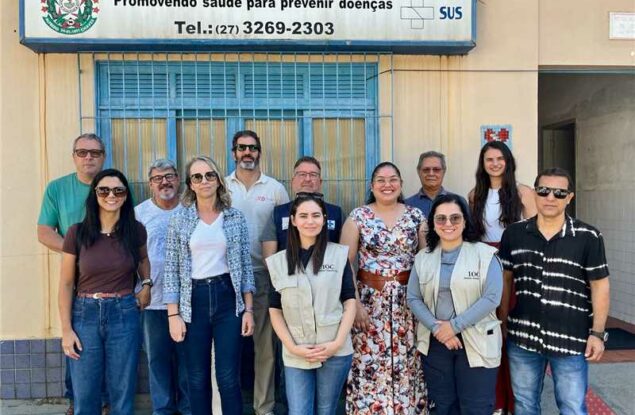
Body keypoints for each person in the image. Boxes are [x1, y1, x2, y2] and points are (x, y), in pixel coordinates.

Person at [498, 168, 610, 415]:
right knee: (524, 405)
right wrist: (502, 322)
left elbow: (600, 285)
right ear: (534, 194)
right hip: (523, 337)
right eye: (544, 191)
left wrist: (597, 333)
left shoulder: (588, 236)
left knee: (572, 407)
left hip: (571, 338)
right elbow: (505, 281)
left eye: (559, 193)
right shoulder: (514, 234)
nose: (550, 197)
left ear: (569, 197)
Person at [164, 156, 256, 415]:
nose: (204, 181)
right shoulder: (179, 219)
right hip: (193, 300)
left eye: (209, 175)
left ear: (218, 180)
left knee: (228, 377)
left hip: (228, 298)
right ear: (190, 184)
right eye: (197, 176)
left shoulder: (234, 217)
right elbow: (171, 269)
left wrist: (248, 309)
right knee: (196, 377)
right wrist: (173, 314)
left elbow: (245, 266)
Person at [58, 168, 151, 415]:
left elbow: (143, 260)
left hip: (124, 313)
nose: (111, 195)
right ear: (95, 194)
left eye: (118, 190)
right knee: (85, 393)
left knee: (122, 391)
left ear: (126, 195)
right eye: (104, 190)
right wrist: (66, 330)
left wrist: (147, 284)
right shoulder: (76, 233)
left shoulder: (135, 230)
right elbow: (66, 284)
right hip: (84, 315)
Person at [340, 161, 428, 414]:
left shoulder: (416, 216)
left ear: (401, 184)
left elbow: (427, 260)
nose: (387, 185)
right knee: (369, 360)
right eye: (381, 180)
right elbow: (344, 263)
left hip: (408, 302)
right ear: (372, 185)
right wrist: (354, 303)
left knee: (408, 360)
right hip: (369, 302)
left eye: (393, 180)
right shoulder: (358, 217)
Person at [407, 194, 503, 414]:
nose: (448, 223)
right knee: (443, 407)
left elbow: (491, 298)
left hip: (477, 342)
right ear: (432, 223)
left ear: (465, 221)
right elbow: (413, 297)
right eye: (441, 218)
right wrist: (438, 329)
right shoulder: (423, 258)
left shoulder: (485, 255)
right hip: (437, 344)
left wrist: (454, 326)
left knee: (476, 408)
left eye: (455, 218)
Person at [266, 192, 357, 415]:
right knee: (298, 411)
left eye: (316, 215)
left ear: (324, 219)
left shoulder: (338, 255)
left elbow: (350, 301)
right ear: (293, 220)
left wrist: (337, 343)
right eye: (303, 216)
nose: (310, 221)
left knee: (326, 410)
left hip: (334, 349)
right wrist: (292, 347)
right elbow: (275, 310)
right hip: (296, 350)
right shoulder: (278, 262)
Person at [37, 133, 108, 415]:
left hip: (113, 280)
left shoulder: (114, 185)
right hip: (76, 279)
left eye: (95, 152)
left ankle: (106, 400)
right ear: (74, 156)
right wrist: (75, 252)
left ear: (103, 156)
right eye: (82, 152)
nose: (88, 157)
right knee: (76, 337)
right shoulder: (57, 188)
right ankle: (77, 401)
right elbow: (44, 231)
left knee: (109, 341)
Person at [468, 141, 536, 414]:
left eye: (499, 158)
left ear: (508, 161)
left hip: (515, 267)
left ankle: (515, 402)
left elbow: (534, 234)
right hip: (485, 266)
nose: (495, 164)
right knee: (489, 331)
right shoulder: (475, 195)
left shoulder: (523, 192)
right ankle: (495, 401)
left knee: (511, 329)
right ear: (482, 164)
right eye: (489, 159)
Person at [225, 130, 290, 415]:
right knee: (226, 347)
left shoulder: (275, 189)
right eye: (242, 148)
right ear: (234, 153)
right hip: (226, 277)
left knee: (265, 349)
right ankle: (225, 407)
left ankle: (263, 408)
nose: (247, 152)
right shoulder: (221, 187)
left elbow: (286, 235)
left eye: (252, 148)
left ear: (259, 152)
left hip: (263, 275)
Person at [134, 159, 190, 415]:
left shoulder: (191, 209)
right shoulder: (139, 214)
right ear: (150, 184)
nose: (164, 182)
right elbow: (132, 255)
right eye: (158, 178)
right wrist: (142, 286)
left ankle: (188, 409)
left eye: (169, 176)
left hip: (187, 300)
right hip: (153, 300)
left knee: (188, 360)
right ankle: (163, 410)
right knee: (157, 359)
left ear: (178, 180)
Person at [262, 156, 344, 256]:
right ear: (293, 181)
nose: (308, 179)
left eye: (313, 175)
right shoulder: (277, 214)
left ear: (320, 182)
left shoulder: (337, 213)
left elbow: (344, 256)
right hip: (288, 266)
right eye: (302, 174)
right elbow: (269, 258)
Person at [405, 151, 467, 218]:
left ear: (444, 171)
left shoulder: (459, 202)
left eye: (436, 169)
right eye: (426, 169)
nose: (431, 173)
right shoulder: (406, 205)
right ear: (418, 172)